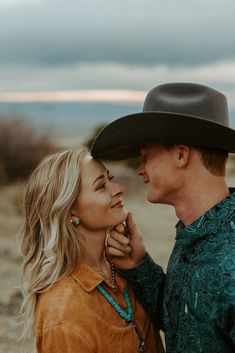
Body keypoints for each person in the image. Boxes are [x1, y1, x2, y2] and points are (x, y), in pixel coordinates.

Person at [91, 83, 235, 353]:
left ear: (181, 154)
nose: (141, 169)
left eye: (146, 157)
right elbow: (185, 321)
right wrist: (139, 265)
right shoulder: (195, 235)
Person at [19, 148, 164, 353]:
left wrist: (139, 266)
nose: (119, 188)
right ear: (70, 211)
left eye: (110, 178)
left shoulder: (123, 270)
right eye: (101, 186)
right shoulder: (64, 314)